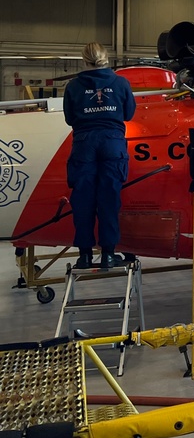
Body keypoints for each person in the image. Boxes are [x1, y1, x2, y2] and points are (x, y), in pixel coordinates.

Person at [63, 42, 136, 269]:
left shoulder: (73, 86)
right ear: (106, 58)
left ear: (84, 60)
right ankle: (108, 254)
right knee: (109, 198)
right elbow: (129, 113)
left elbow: (69, 118)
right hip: (112, 143)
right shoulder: (121, 82)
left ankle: (85, 255)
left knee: (83, 199)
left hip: (84, 143)